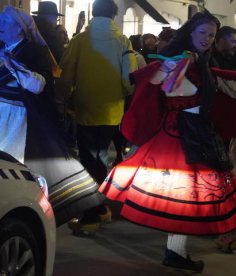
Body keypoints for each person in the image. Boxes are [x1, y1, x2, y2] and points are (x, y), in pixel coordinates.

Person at [98, 11, 236, 272]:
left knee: (192, 198)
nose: (207, 39)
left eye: (211, 35)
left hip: (200, 132)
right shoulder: (177, 62)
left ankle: (176, 251)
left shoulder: (204, 65)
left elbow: (227, 86)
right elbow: (157, 81)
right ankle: (175, 252)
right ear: (190, 33)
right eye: (202, 33)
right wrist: (177, 65)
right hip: (178, 136)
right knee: (185, 198)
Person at [0, 6, 104, 227]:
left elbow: (38, 85)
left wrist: (13, 65)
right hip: (2, 116)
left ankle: (30, 214)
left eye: (5, 21)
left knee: (19, 167)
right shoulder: (3, 48)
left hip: (20, 119)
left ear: (19, 28)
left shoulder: (34, 51)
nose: (0, 25)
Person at [56, 0, 137, 229]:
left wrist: (63, 94)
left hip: (84, 106)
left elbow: (65, 72)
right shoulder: (123, 41)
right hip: (112, 109)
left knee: (88, 158)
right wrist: (123, 92)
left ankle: (92, 213)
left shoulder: (80, 40)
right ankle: (100, 207)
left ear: (93, 13)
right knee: (101, 157)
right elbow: (129, 78)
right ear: (114, 15)